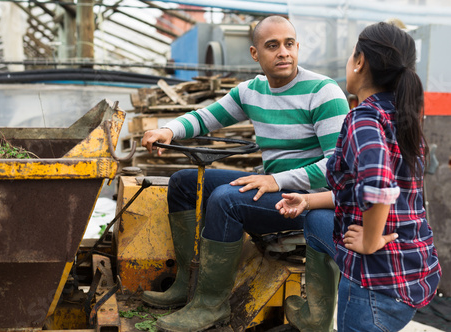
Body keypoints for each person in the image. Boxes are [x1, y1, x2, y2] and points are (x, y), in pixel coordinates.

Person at [141, 15, 350, 332]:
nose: (283, 52)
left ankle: (211, 305)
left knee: (227, 200)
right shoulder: (252, 91)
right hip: (271, 188)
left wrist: (275, 180)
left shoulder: (323, 92)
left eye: (289, 44)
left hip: (306, 200)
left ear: (297, 47)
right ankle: (188, 283)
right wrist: (168, 130)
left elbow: (337, 168)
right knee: (183, 183)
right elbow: (205, 117)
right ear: (255, 54)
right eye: (272, 45)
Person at [276, 22, 442, 332]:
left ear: (359, 61)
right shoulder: (403, 117)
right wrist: (309, 200)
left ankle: (316, 317)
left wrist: (369, 239)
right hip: (415, 271)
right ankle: (315, 317)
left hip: (375, 285)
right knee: (315, 221)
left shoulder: (362, 119)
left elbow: (379, 185)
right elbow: (372, 188)